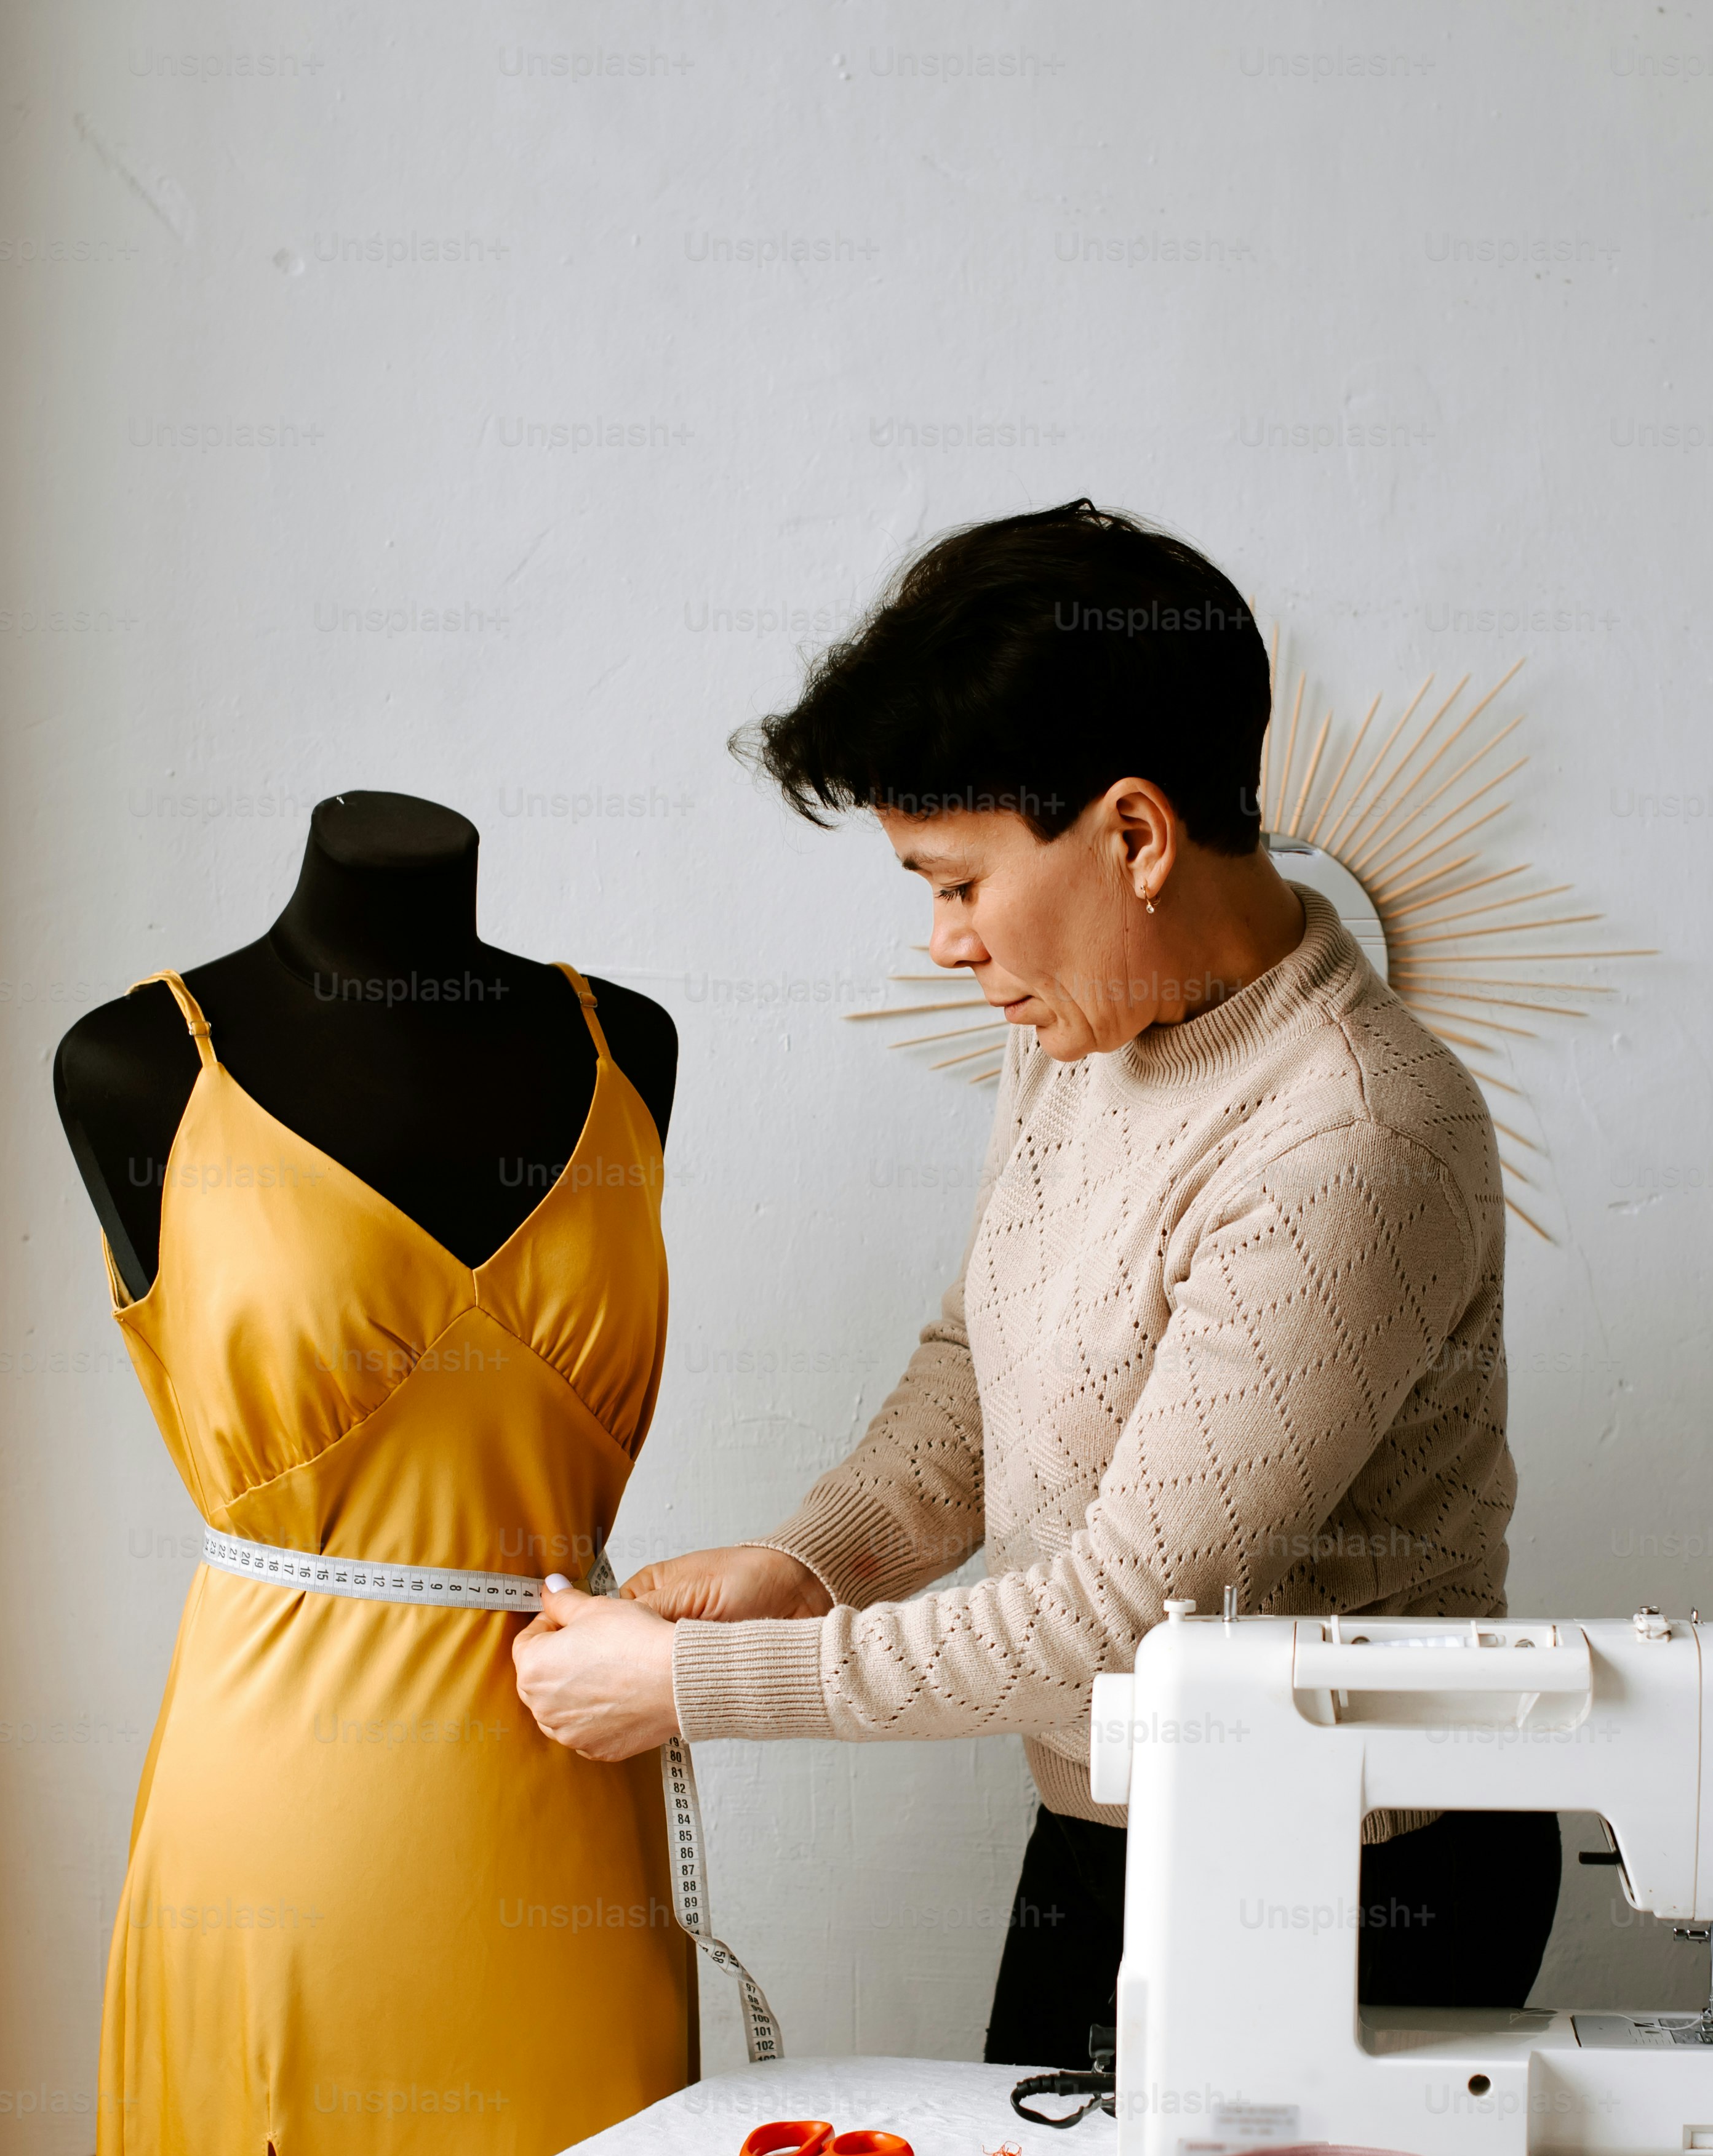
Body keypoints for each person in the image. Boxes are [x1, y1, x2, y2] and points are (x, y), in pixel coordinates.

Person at [516, 500, 1547, 2066]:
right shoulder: (1078, 1026)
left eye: (955, 882)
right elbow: (972, 1359)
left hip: (1348, 1874)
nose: (941, 942)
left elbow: (1127, 1619)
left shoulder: (1352, 1132)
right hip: (1112, 1820)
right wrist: (809, 1564)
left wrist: (701, 1683)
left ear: (1132, 836)